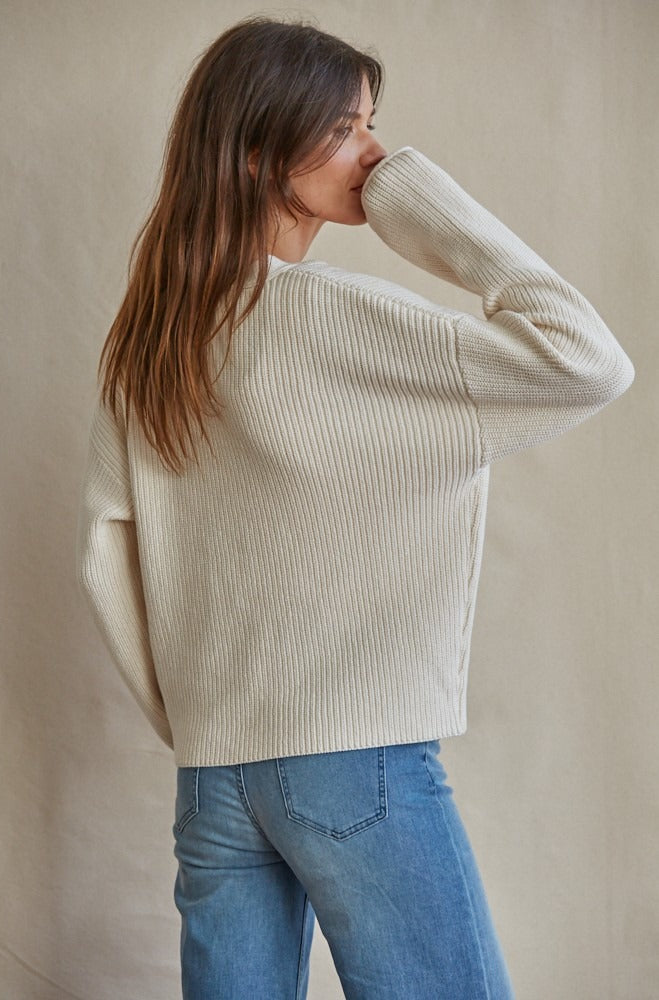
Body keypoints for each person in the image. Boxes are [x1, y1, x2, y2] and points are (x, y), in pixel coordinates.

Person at [75, 14, 635, 1000]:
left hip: (214, 771)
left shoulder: (153, 341)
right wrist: (422, 205)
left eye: (372, 127)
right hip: (348, 753)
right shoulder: (329, 315)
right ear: (259, 152)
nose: (375, 156)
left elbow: (104, 555)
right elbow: (587, 360)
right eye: (343, 130)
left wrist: (200, 720)